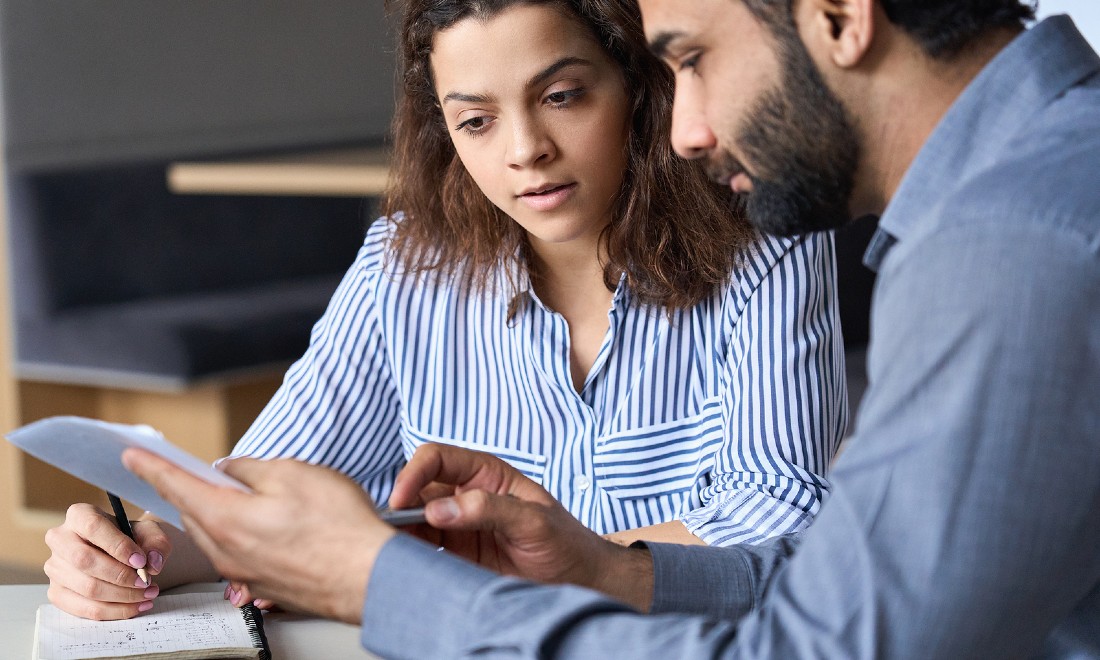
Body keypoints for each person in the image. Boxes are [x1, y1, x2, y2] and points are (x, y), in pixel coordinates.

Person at [124, 0, 1100, 656]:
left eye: (689, 58)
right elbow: (847, 600)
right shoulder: (1035, 195)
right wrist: (595, 565)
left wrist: (387, 581)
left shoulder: (1010, 250)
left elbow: (814, 642)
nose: (685, 129)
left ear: (839, 15)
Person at [43, 0, 849, 621]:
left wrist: (548, 564)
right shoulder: (406, 263)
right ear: (446, 132)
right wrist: (134, 552)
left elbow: (784, 526)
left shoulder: (765, 242)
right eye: (476, 120)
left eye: (562, 95)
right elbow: (270, 488)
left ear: (638, 87)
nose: (524, 148)